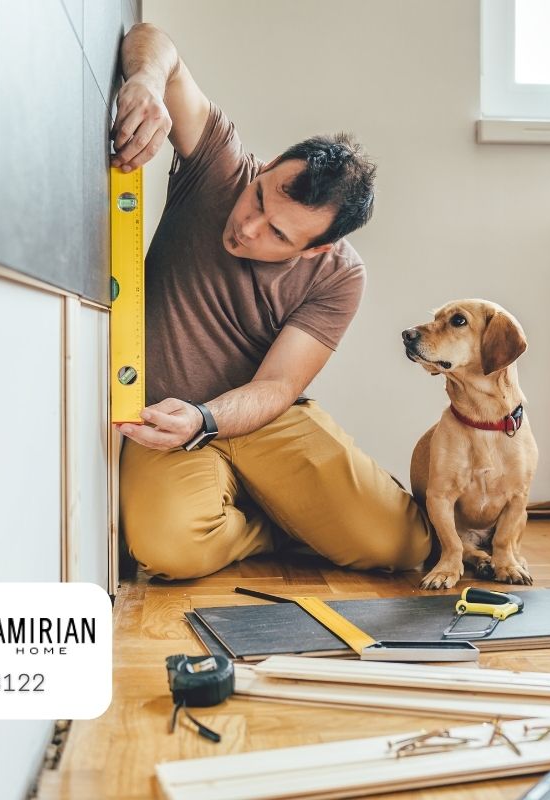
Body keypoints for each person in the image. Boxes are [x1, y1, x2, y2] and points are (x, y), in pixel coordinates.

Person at [111, 23, 431, 580]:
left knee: (401, 546)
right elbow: (155, 41)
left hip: (257, 416)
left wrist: (208, 418)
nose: (248, 227)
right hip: (162, 418)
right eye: (260, 196)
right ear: (265, 169)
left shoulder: (340, 276)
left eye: (279, 235)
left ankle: (287, 509)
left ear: (316, 249)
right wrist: (145, 78)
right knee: (169, 551)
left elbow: (279, 386)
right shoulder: (220, 167)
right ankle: (276, 524)